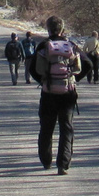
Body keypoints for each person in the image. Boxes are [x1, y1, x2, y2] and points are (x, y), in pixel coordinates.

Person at [29, 15, 82, 173]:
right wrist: (73, 78)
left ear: (48, 29)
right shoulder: (71, 46)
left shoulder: (44, 46)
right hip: (68, 93)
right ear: (62, 29)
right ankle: (63, 164)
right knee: (66, 128)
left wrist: (43, 80)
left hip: (49, 93)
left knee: (46, 128)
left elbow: (34, 69)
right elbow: (84, 65)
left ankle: (46, 161)